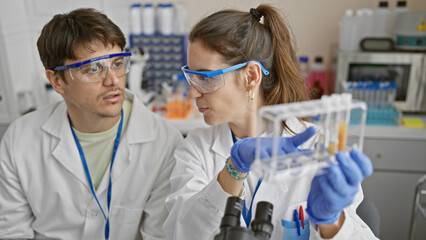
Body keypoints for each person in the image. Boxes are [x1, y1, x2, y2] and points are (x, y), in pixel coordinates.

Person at [163, 4, 377, 240]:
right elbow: (180, 232)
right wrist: (233, 169)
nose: (192, 93)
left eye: (204, 78)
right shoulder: (195, 150)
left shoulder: (317, 147)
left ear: (251, 76)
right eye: (191, 77)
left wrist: (332, 223)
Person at [0, 8, 183, 239]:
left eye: (117, 63)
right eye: (93, 68)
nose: (113, 80)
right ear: (57, 81)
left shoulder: (165, 142)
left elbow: (159, 235)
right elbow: (11, 231)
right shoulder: (20, 140)